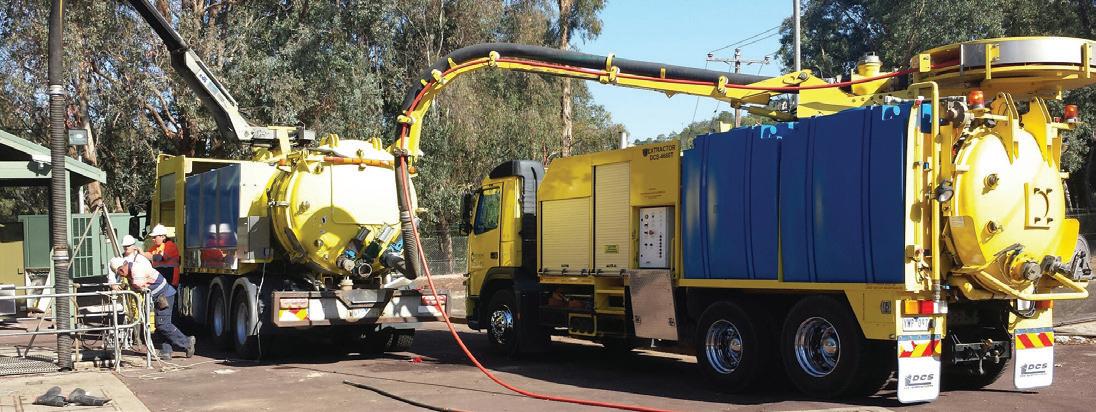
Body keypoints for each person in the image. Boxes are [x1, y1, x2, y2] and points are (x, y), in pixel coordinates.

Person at [109, 255, 195, 359]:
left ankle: (187, 342)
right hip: (162, 296)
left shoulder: (136, 270)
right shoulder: (132, 270)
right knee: (161, 325)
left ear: (122, 269)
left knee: (163, 324)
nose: (121, 276)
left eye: (119, 273)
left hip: (164, 296)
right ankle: (166, 351)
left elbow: (138, 284)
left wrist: (129, 287)